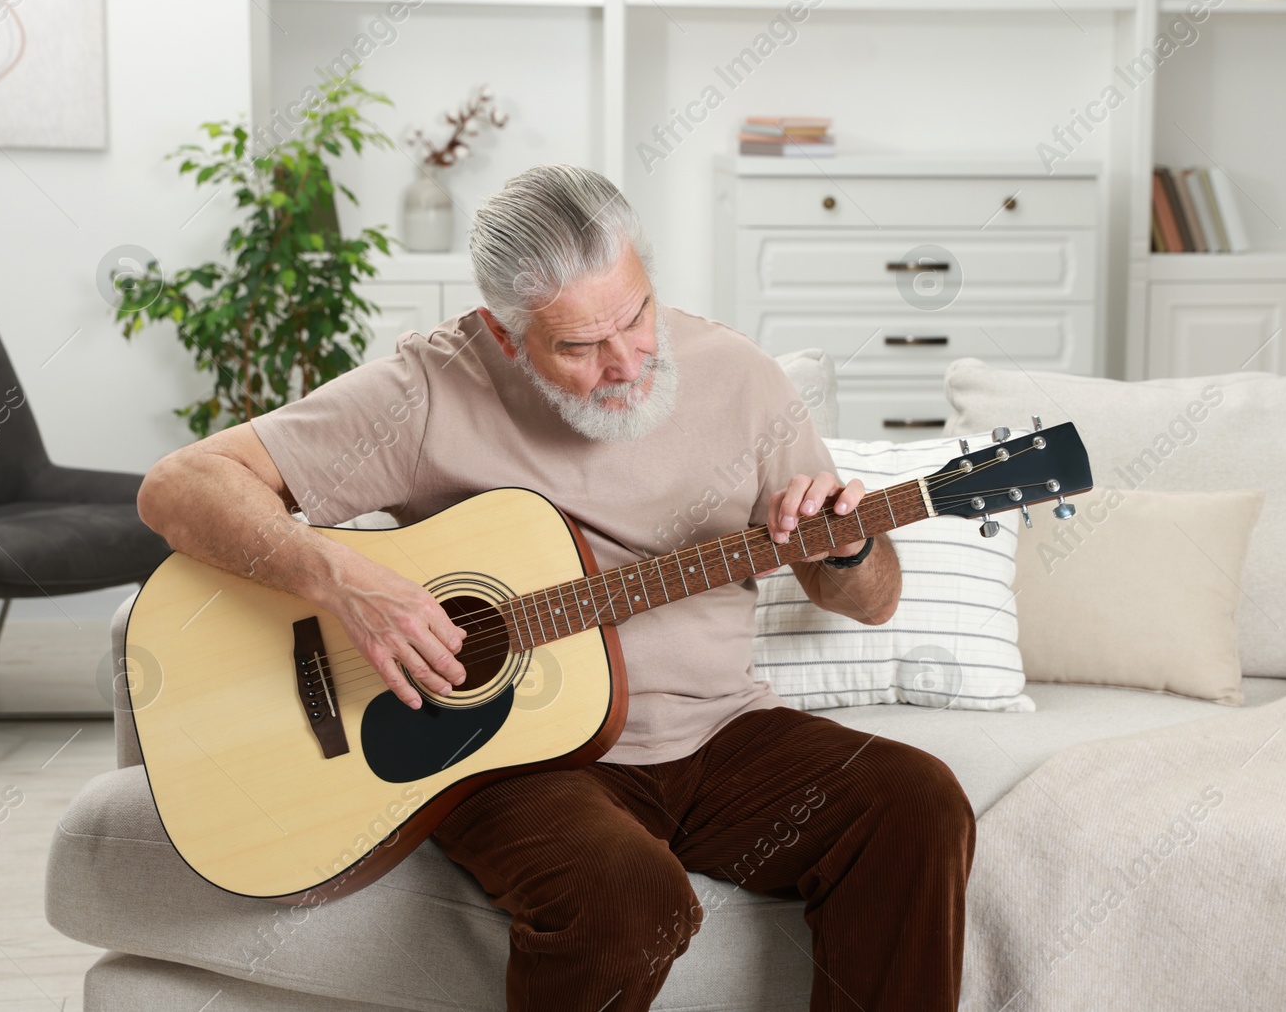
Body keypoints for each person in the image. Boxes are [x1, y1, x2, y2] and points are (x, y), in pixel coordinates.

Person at [136, 163, 976, 1011]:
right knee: (626, 896)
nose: (626, 364)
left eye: (637, 316)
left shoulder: (743, 377)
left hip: (720, 734)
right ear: (505, 336)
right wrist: (345, 578)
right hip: (515, 757)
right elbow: (178, 486)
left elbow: (869, 601)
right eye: (578, 345)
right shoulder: (430, 388)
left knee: (916, 801)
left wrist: (848, 549)